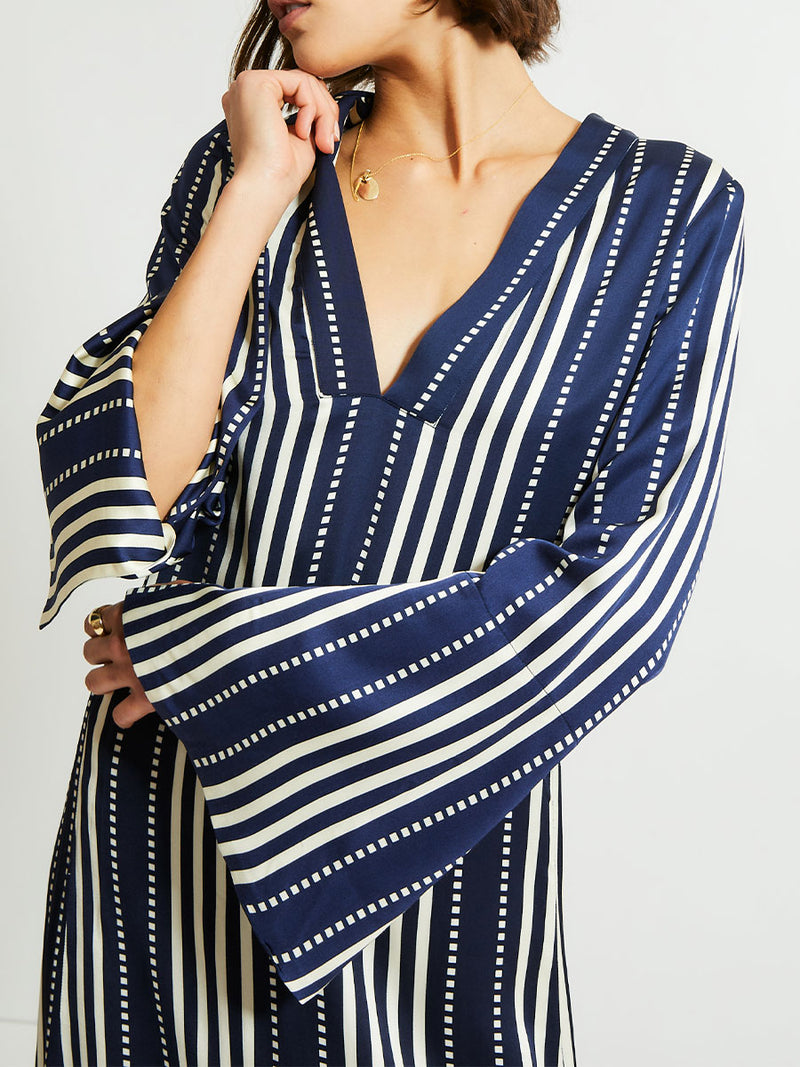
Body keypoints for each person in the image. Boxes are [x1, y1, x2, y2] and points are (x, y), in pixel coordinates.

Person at [34, 0, 746, 1064]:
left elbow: (622, 603)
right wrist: (252, 195)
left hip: (449, 878)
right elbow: (137, 494)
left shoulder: (664, 215)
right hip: (166, 849)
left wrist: (213, 654)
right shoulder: (253, 168)